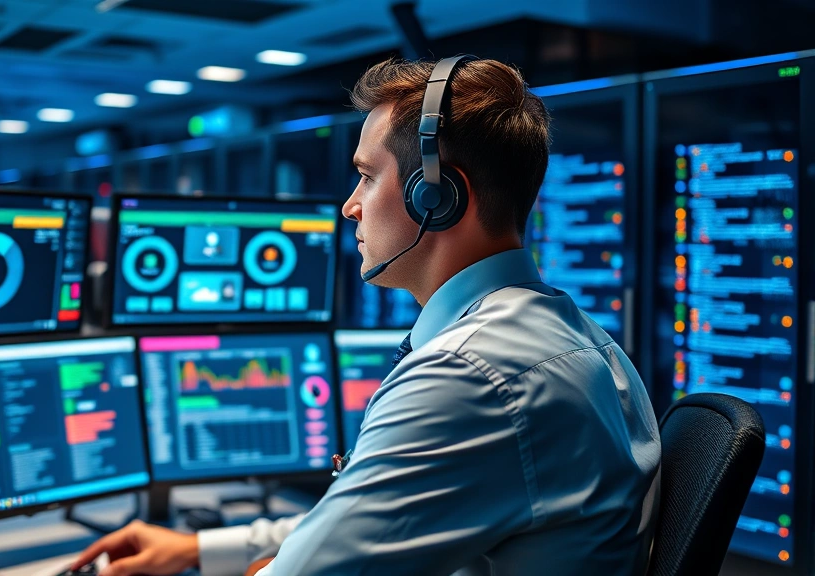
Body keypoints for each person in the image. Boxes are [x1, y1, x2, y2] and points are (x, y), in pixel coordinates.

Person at [71, 56, 661, 576]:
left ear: (436, 196)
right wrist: (201, 548)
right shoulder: (579, 338)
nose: (350, 206)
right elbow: (377, 510)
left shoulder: (469, 374)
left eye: (366, 175)